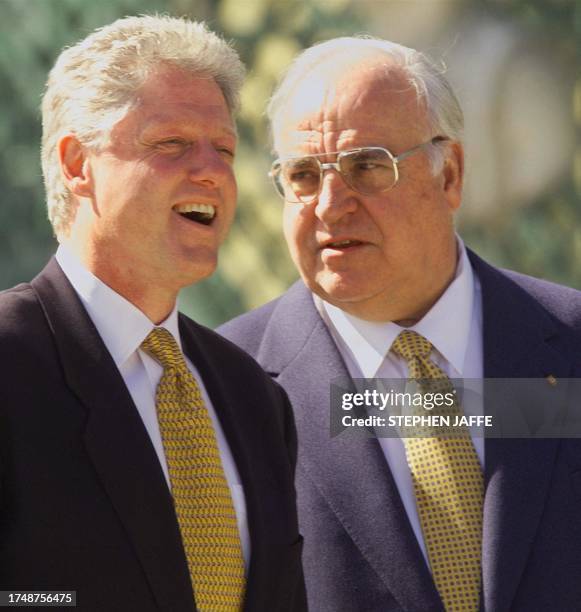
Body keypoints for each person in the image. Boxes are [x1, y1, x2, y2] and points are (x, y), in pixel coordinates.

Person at [219, 36, 581, 612]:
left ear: (451, 174)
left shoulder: (569, 343)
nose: (332, 205)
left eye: (367, 166)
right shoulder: (219, 388)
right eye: (305, 175)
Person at [0, 15, 306, 612]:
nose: (212, 171)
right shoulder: (10, 361)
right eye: (171, 144)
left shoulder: (254, 397)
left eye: (224, 148)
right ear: (75, 164)